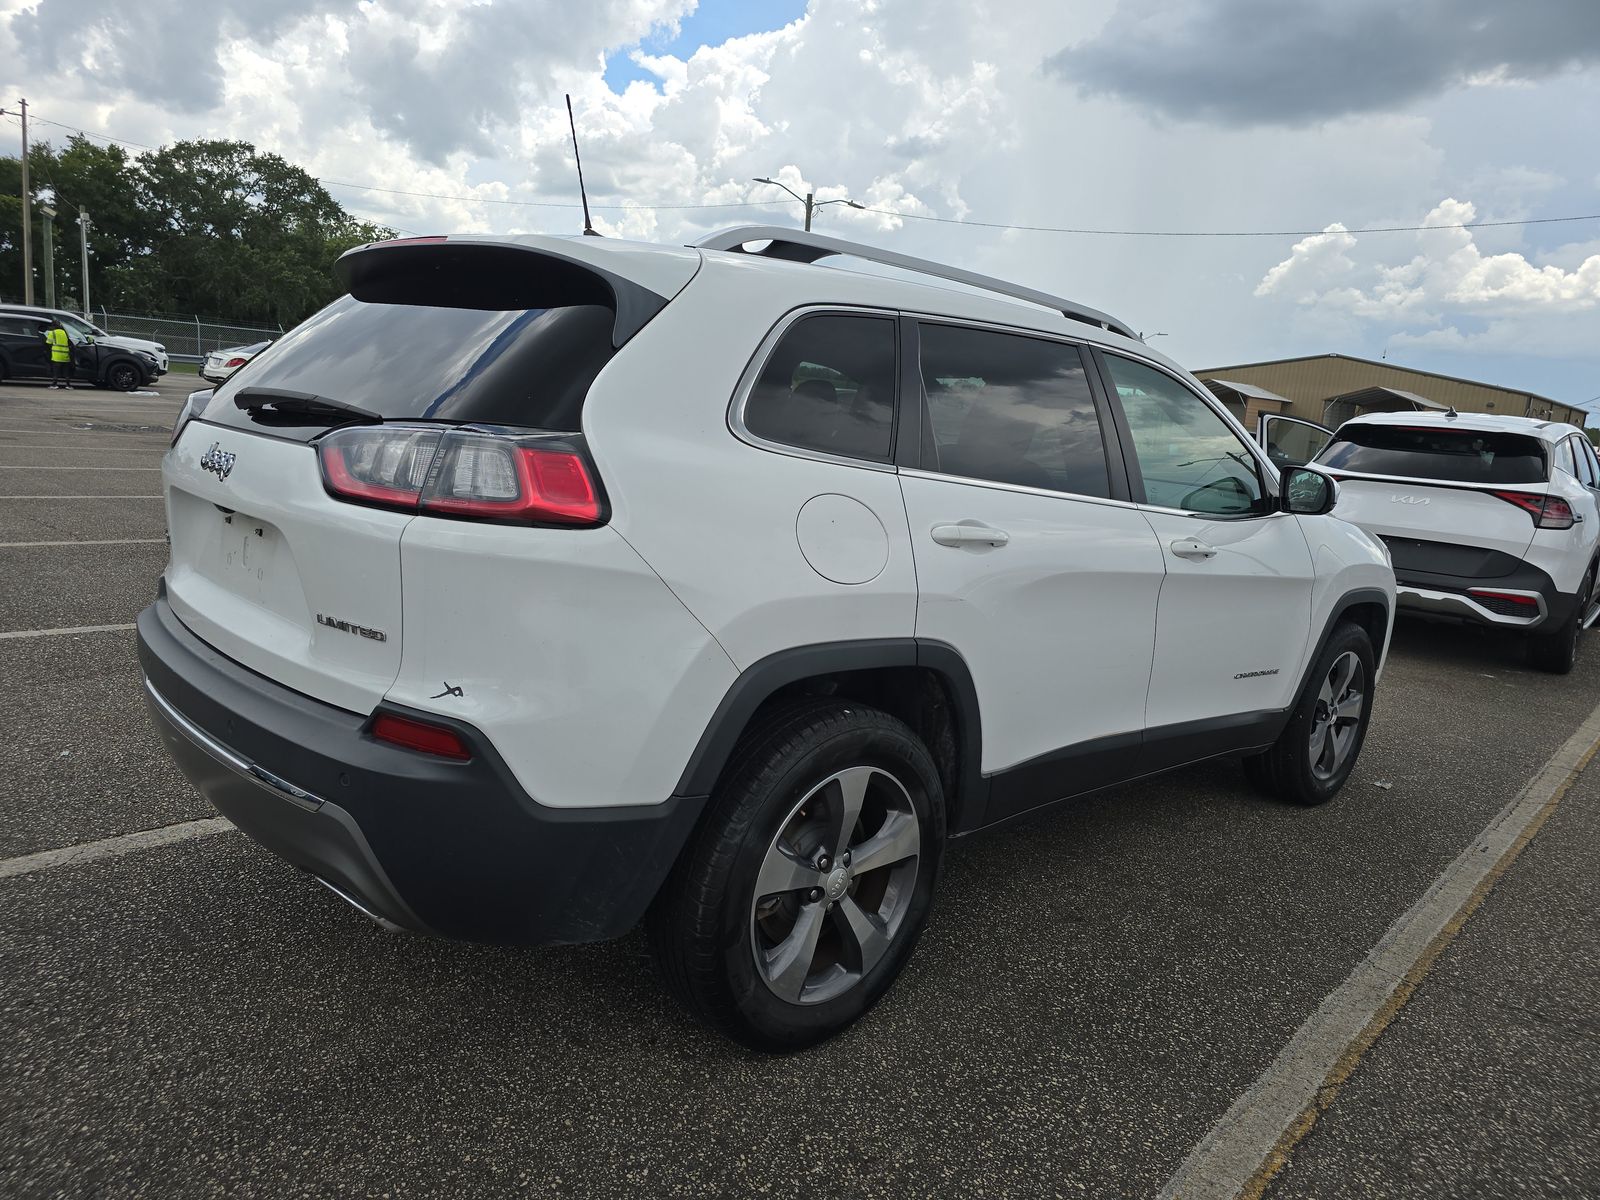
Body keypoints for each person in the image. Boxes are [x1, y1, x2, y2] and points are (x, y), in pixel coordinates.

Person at [43, 319, 74, 390]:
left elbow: (48, 343)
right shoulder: (64, 332)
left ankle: (54, 384)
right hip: (65, 355)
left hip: (56, 355)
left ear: (53, 326)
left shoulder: (52, 333)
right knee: (66, 371)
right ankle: (68, 385)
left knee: (56, 371)